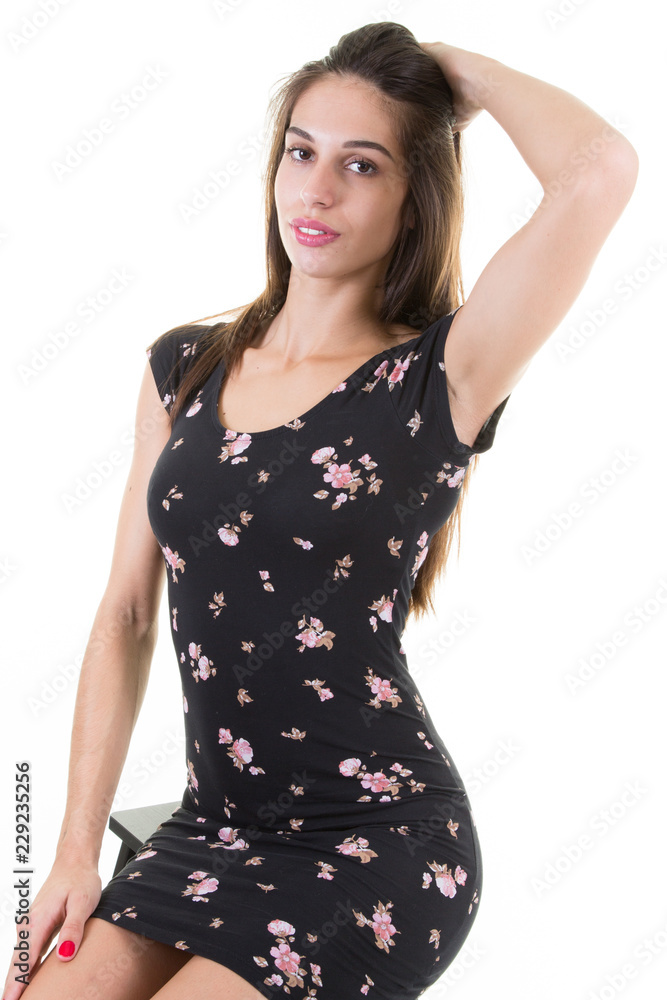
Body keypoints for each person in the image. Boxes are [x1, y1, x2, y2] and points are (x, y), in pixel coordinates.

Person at [5, 20, 638, 1000]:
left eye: (363, 164)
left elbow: (598, 169)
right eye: (301, 151)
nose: (317, 187)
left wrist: (450, 73)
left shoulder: (440, 377)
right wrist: (73, 854)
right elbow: (126, 614)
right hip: (208, 830)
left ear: (413, 194)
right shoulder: (185, 367)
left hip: (378, 845)